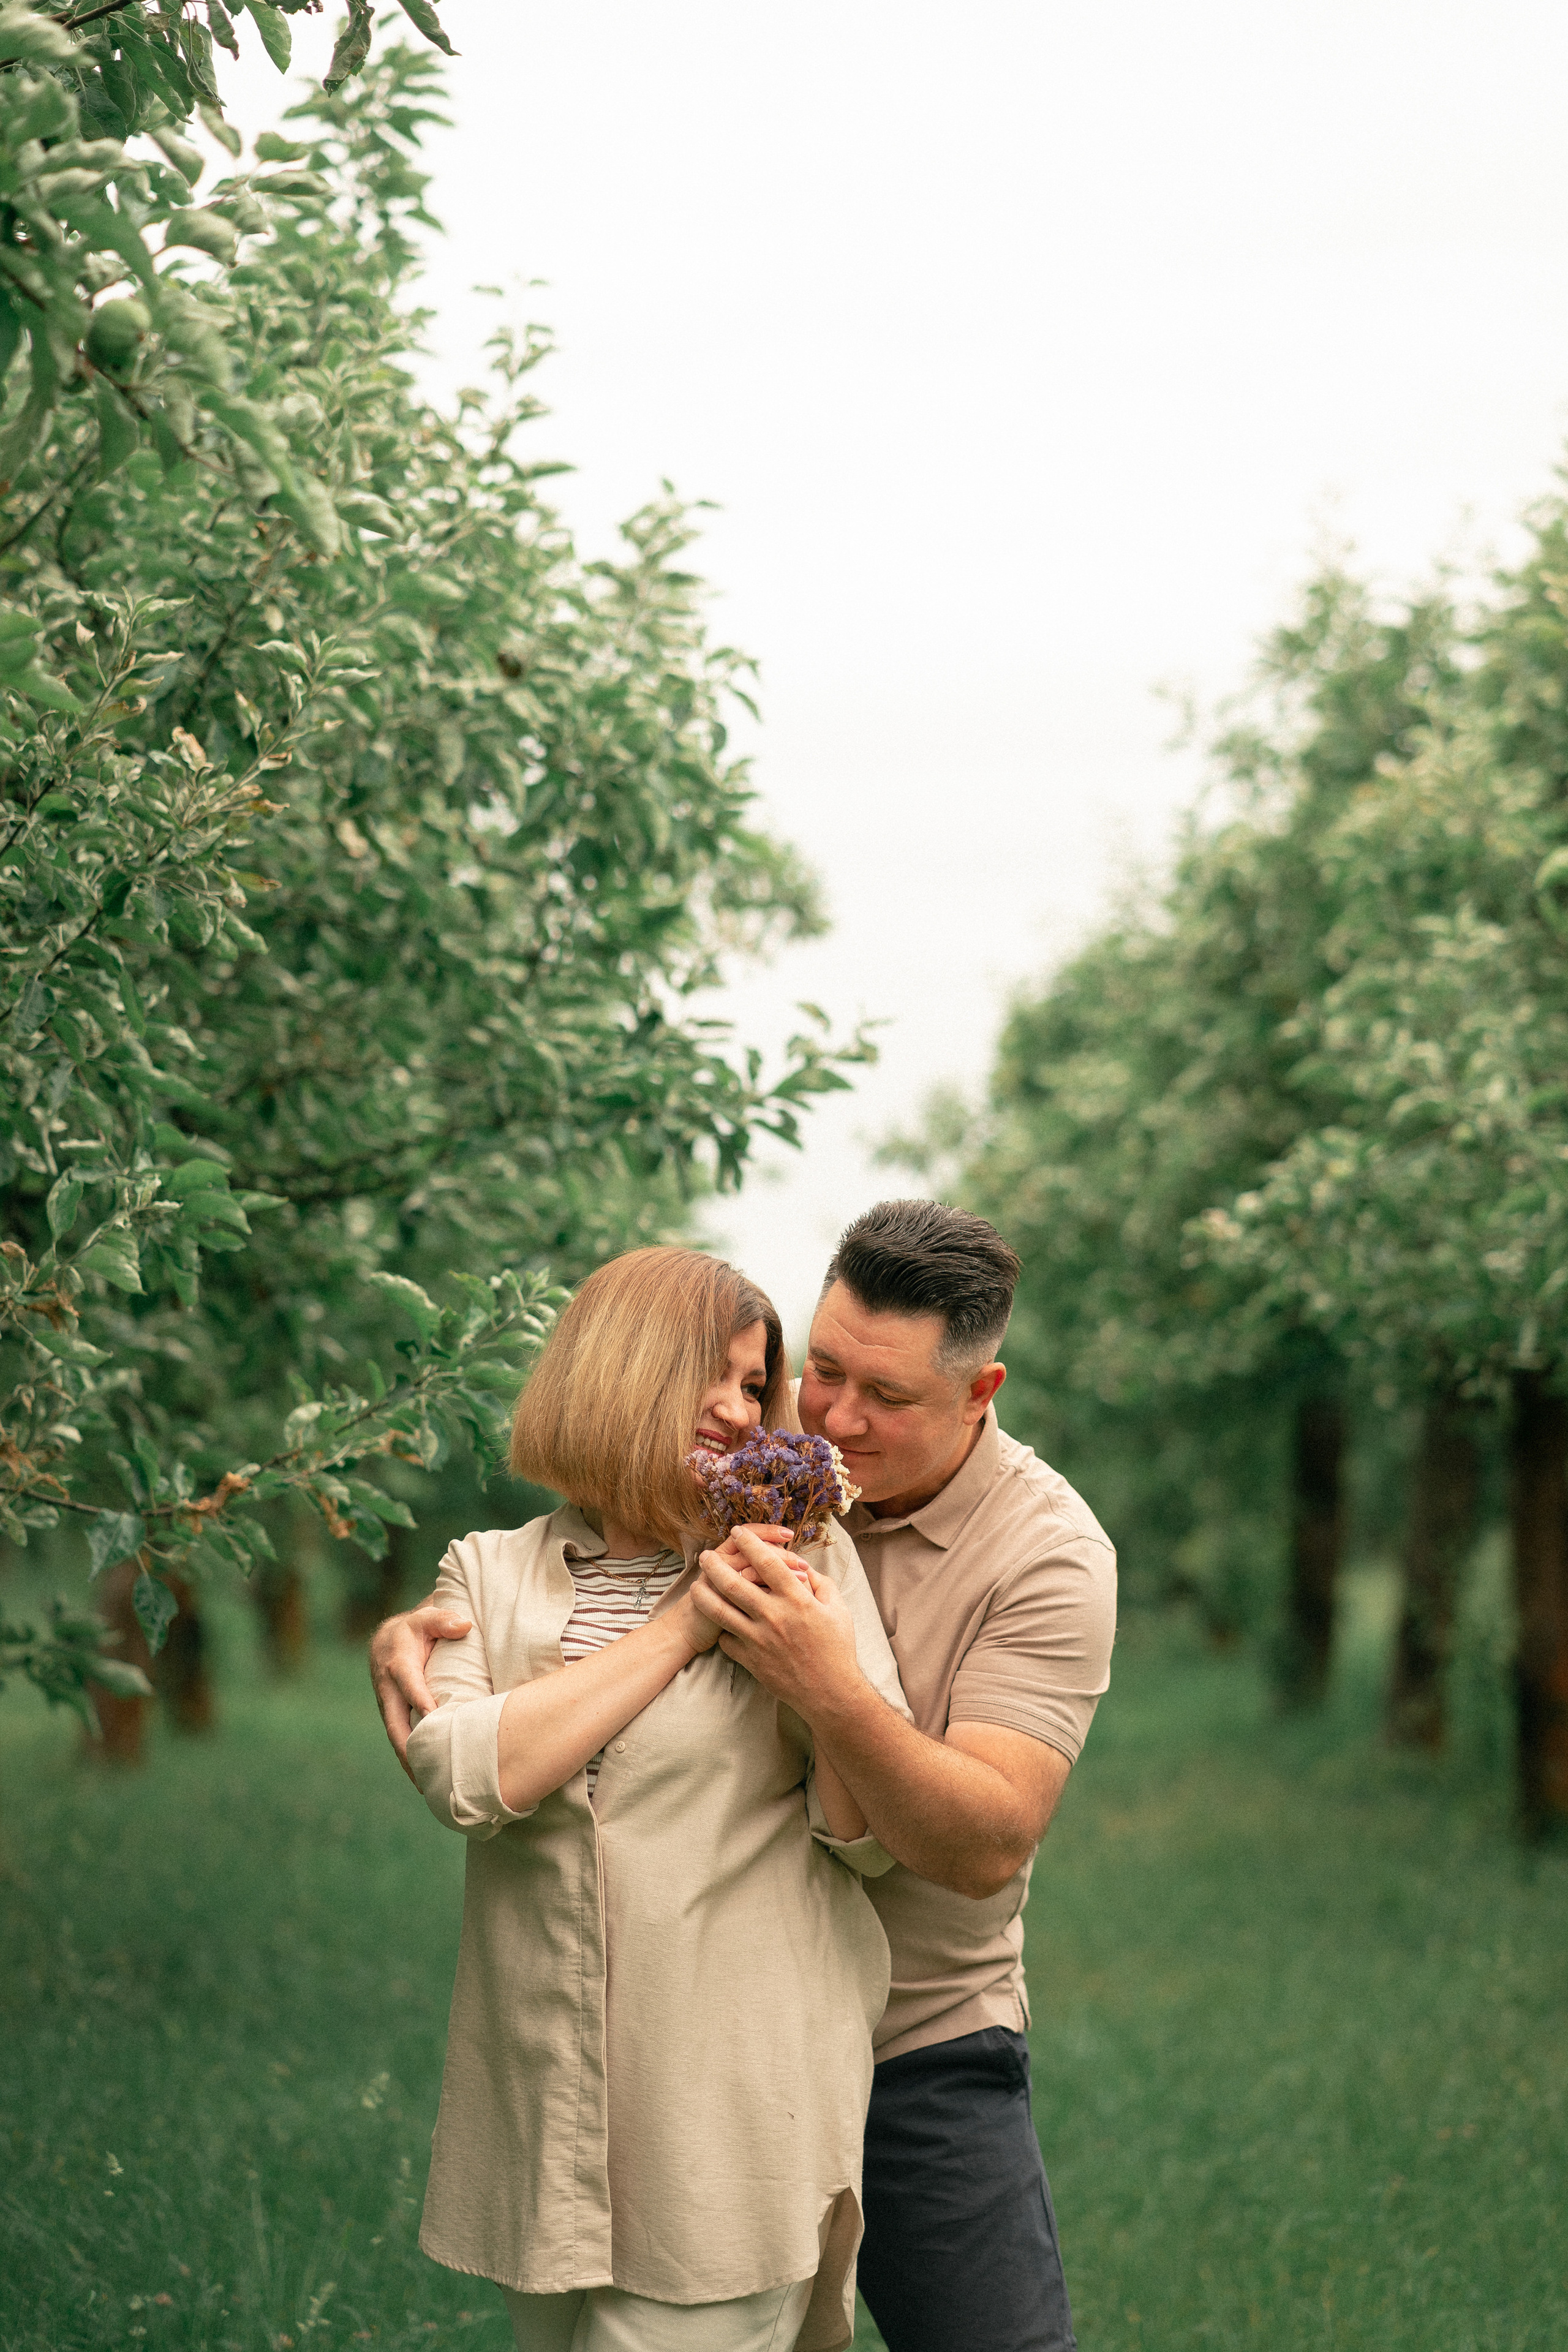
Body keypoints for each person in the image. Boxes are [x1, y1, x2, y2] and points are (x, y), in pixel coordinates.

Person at [374, 1202, 1117, 2352]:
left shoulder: (1041, 1554)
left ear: (981, 1392)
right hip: (615, 2052)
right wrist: (443, 1631)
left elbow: (979, 1846)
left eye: (888, 1400)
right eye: (818, 1373)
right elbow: (481, 1737)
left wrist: (824, 1683)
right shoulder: (707, 1503)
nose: (830, 1417)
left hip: (914, 2025)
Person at [397, 1245, 909, 2352]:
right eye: (712, 1377)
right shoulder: (488, 1572)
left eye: (753, 1385)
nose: (737, 1410)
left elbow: (866, 1839)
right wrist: (685, 1621)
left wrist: (818, 1669)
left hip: (729, 2109)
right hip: (550, 2113)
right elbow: (470, 1776)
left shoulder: (799, 1563)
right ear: (620, 1370)